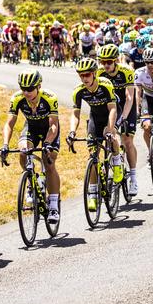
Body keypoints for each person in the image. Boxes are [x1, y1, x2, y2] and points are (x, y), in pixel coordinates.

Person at [0, 69, 61, 222]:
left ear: (38, 86)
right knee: (23, 152)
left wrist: (47, 143)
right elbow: (9, 124)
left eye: (30, 89)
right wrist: (5, 144)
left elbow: (54, 125)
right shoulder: (17, 98)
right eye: (23, 89)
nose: (26, 92)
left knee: (49, 161)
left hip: (49, 130)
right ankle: (32, 180)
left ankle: (53, 205)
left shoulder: (50, 98)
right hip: (31, 128)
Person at [67, 59, 124, 208]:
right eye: (81, 75)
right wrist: (72, 132)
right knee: (92, 155)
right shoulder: (78, 91)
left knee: (111, 137)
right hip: (95, 118)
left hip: (112, 114)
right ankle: (92, 194)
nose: (84, 78)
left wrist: (111, 130)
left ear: (94, 74)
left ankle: (117, 163)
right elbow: (75, 114)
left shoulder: (105, 85)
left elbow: (112, 109)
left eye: (87, 75)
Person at [96, 44, 139, 196]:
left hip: (127, 107)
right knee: (109, 136)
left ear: (115, 61)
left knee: (127, 141)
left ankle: (133, 178)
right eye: (103, 62)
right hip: (111, 107)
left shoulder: (126, 71)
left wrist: (124, 118)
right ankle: (113, 163)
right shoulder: (99, 72)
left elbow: (129, 97)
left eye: (109, 62)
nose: (106, 65)